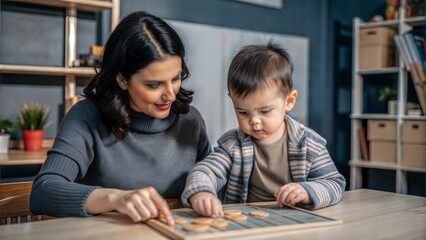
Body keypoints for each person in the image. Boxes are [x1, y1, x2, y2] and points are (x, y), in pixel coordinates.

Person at [30, 11, 211, 226]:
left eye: (176, 78)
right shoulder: (87, 117)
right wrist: (115, 198)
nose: (170, 94)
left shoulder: (191, 120)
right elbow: (43, 190)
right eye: (154, 84)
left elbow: (213, 181)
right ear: (122, 79)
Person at [181, 42, 346, 217]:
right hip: (247, 222)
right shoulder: (232, 146)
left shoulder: (309, 145)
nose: (254, 121)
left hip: (295, 223)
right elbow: (205, 170)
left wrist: (307, 191)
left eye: (265, 111)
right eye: (243, 112)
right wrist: (202, 192)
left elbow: (335, 184)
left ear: (289, 101)